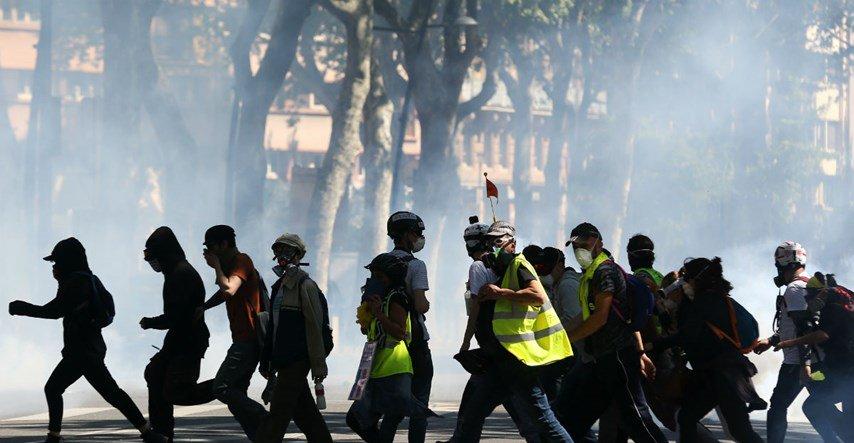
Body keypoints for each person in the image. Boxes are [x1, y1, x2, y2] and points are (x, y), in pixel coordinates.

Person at [8, 238, 167, 443]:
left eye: (57, 262)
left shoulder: (76, 282)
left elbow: (55, 311)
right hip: (88, 348)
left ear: (68, 261)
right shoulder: (88, 278)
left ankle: (147, 433)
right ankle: (147, 432)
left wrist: (22, 308)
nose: (55, 267)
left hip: (83, 351)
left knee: (68, 389)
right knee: (106, 392)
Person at [452, 221, 573, 441]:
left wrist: (501, 292)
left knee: (543, 419)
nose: (494, 246)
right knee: (473, 413)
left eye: (499, 241)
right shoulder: (502, 268)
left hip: (517, 358)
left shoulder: (518, 264)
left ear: (512, 243)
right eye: (490, 241)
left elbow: (537, 296)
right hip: (500, 356)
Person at [556, 222, 667, 443]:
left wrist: (568, 339)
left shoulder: (604, 271)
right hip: (602, 358)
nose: (580, 250)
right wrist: (558, 335)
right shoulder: (591, 274)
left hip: (617, 356)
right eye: (575, 246)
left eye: (584, 243)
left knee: (637, 420)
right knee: (572, 421)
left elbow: (600, 318)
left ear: (598, 241)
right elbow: (589, 315)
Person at [650, 257, 764, 443]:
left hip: (725, 375)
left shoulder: (705, 302)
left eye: (687, 277)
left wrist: (654, 346)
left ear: (698, 279)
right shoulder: (711, 300)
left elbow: (687, 335)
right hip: (715, 375)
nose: (684, 282)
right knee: (689, 418)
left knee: (740, 431)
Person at [446, 217, 538, 442]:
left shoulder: (478, 267)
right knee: (514, 402)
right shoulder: (505, 267)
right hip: (506, 341)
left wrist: (466, 341)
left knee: (480, 403)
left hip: (494, 343)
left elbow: (476, 308)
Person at [753, 242, 841, 443]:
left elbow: (804, 328)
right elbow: (798, 325)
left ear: (783, 265)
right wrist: (771, 339)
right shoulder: (810, 285)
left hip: (798, 364)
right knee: (819, 406)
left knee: (778, 406)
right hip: (817, 361)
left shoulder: (794, 289)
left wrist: (805, 366)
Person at [255, 233, 333, 442]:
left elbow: (316, 329)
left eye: (287, 250)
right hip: (283, 361)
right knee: (307, 417)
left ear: (298, 255)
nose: (282, 255)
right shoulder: (279, 287)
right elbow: (274, 327)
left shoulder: (305, 286)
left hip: (297, 361)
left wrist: (317, 366)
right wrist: (266, 360)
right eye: (278, 251)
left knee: (276, 418)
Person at [141, 226, 213, 440]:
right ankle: (162, 434)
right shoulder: (174, 272)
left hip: (188, 341)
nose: (153, 263)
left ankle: (224, 386)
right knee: (154, 374)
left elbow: (176, 317)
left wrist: (150, 322)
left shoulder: (180, 274)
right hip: (179, 339)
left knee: (177, 391)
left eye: (155, 258)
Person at [197, 225, 268, 440]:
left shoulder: (241, 261)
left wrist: (216, 265)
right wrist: (205, 307)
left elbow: (229, 288)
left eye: (211, 247)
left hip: (249, 340)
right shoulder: (232, 265)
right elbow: (224, 293)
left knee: (222, 388)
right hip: (242, 338)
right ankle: (262, 437)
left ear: (223, 244)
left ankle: (267, 420)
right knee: (238, 397)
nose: (208, 252)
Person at [347, 253, 418, 442]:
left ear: (391, 276)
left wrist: (378, 313)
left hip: (394, 367)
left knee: (389, 418)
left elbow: (399, 332)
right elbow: (367, 331)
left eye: (380, 276)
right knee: (355, 419)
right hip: (371, 366)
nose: (375, 280)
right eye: (374, 276)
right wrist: (366, 314)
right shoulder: (379, 298)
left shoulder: (396, 298)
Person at [775, 272, 854, 441]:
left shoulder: (832, 307)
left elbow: (822, 335)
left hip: (848, 373)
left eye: (810, 296)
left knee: (813, 406)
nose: (809, 301)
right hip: (843, 371)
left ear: (822, 292)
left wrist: (790, 343)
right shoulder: (846, 300)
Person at [382, 211, 433, 442]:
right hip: (415, 341)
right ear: (405, 235)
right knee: (419, 403)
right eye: (416, 233)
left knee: (395, 402)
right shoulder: (416, 265)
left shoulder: (381, 263)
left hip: (390, 341)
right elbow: (421, 306)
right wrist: (424, 303)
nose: (419, 238)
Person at [527, 246, 580, 401]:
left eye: (549, 268)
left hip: (571, 349)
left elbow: (573, 319)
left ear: (560, 266)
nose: (545, 273)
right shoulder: (557, 285)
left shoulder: (566, 285)